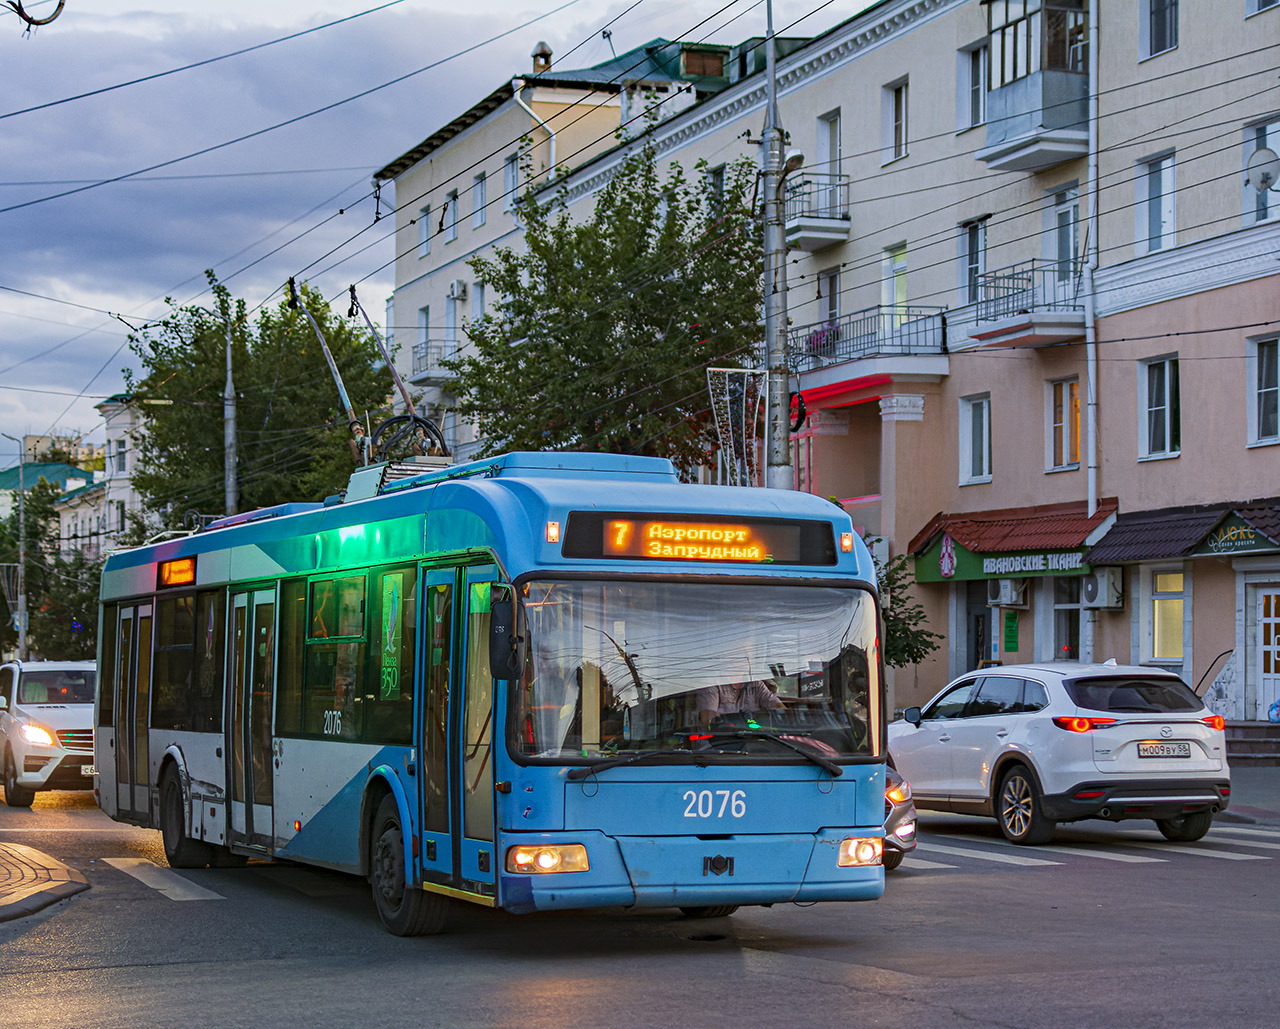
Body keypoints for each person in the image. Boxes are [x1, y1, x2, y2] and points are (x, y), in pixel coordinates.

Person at [696, 678, 783, 725]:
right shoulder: (713, 683)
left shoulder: (756, 684)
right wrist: (739, 722)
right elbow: (707, 718)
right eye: (742, 654)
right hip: (718, 744)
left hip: (755, 740)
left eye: (749, 654)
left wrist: (784, 715)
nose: (746, 659)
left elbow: (779, 707)